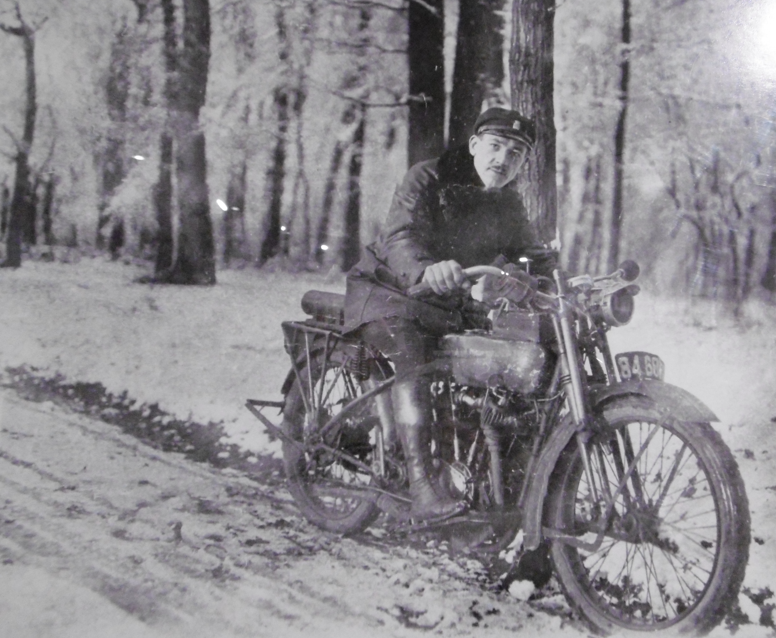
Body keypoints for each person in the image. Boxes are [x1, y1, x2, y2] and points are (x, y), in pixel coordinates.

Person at [343, 107, 556, 522]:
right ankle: (421, 484)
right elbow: (400, 235)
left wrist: (549, 280)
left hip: (446, 302)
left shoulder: (507, 199)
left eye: (515, 154)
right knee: (414, 355)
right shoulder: (429, 176)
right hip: (389, 292)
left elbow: (532, 254)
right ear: (475, 145)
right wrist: (426, 269)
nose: (503, 159)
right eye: (496, 146)